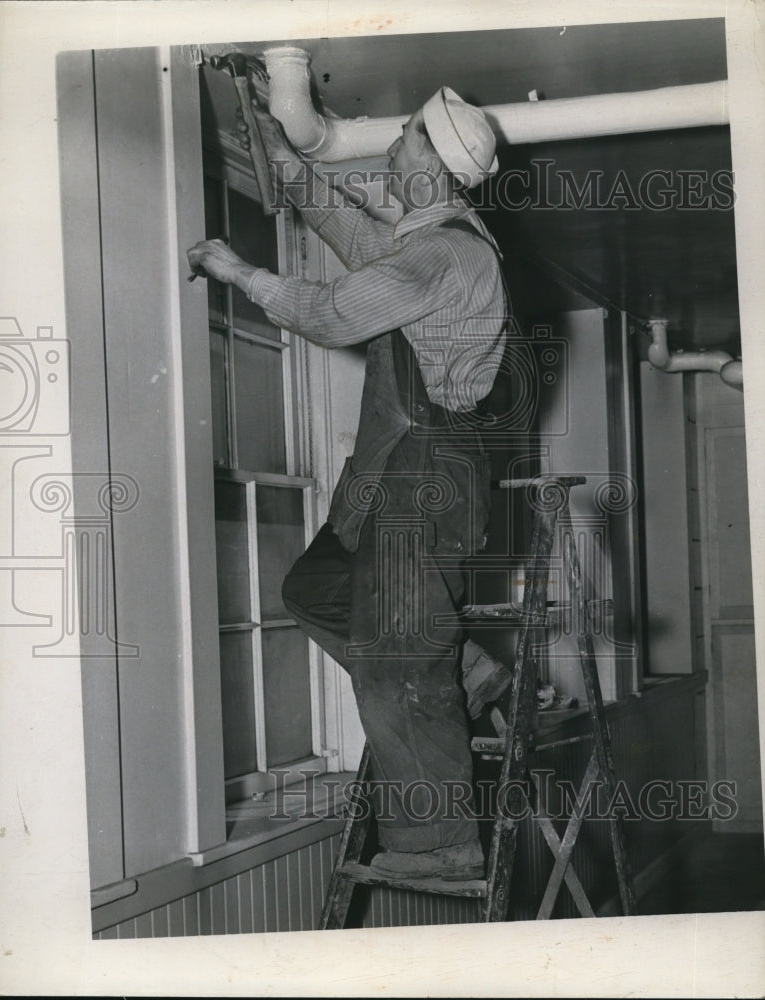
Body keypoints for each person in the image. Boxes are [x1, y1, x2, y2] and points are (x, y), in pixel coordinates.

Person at [187, 87, 514, 881]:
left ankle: (440, 844)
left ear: (432, 161)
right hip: (394, 477)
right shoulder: (428, 243)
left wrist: (242, 272)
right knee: (316, 588)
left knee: (400, 660)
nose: (391, 147)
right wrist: (281, 154)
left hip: (426, 484)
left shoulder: (446, 255)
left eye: (404, 138)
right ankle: (467, 667)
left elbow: (335, 314)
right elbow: (352, 237)